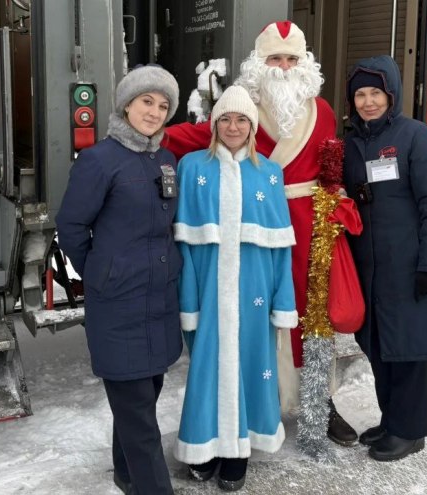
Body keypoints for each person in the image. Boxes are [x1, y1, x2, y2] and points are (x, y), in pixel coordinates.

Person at [165, 20, 358, 447]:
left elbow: (330, 169)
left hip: (309, 225)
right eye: (276, 58)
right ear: (259, 62)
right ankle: (256, 403)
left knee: (312, 318)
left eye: (292, 58)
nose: (285, 67)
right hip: (254, 224)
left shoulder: (322, 112)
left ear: (304, 62)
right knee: (255, 315)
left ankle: (318, 405)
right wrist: (150, 135)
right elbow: (201, 138)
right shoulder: (242, 108)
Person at [55, 65, 182, 494]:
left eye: (163, 106)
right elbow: (71, 226)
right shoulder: (98, 160)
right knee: (140, 416)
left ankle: (126, 473)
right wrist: (99, 270)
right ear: (127, 104)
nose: (154, 111)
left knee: (143, 398)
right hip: (119, 302)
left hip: (158, 299)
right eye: (147, 101)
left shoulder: (166, 160)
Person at [174, 85, 297, 491]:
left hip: (255, 293)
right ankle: (203, 444)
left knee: (250, 364)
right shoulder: (192, 168)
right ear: (214, 124)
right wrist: (188, 301)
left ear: (252, 125)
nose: (232, 126)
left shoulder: (269, 174)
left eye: (241, 119)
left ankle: (237, 451)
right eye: (225, 118)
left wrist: (283, 303)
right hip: (209, 290)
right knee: (207, 366)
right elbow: (185, 245)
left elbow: (281, 247)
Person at [342, 55, 427, 462]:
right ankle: (392, 421)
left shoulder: (416, 137)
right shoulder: (353, 143)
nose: (368, 101)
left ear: (392, 94)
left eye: (376, 93)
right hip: (370, 270)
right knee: (380, 347)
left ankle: (409, 432)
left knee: (408, 351)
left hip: (408, 268)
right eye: (360, 94)